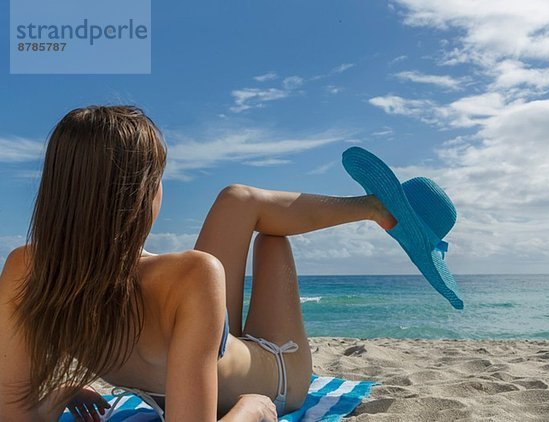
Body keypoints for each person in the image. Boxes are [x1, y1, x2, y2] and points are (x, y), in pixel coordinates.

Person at [0, 105, 396, 421]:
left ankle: (374, 208)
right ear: (142, 194)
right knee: (270, 237)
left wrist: (58, 395)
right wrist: (250, 410)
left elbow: (12, 414)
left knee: (236, 200)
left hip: (210, 365)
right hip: (280, 378)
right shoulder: (190, 274)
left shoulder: (26, 270)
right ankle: (377, 209)